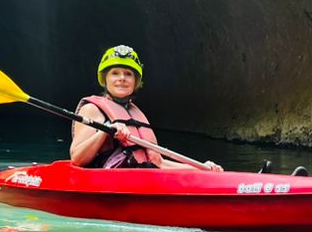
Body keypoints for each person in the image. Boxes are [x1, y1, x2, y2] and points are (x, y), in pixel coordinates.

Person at [70, 45, 220, 170]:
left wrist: (201, 168)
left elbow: (159, 163)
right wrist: (106, 130)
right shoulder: (92, 110)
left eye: (128, 74)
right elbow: (77, 158)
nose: (122, 78)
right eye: (115, 73)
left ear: (135, 82)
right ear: (105, 79)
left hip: (144, 180)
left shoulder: (136, 113)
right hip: (110, 185)